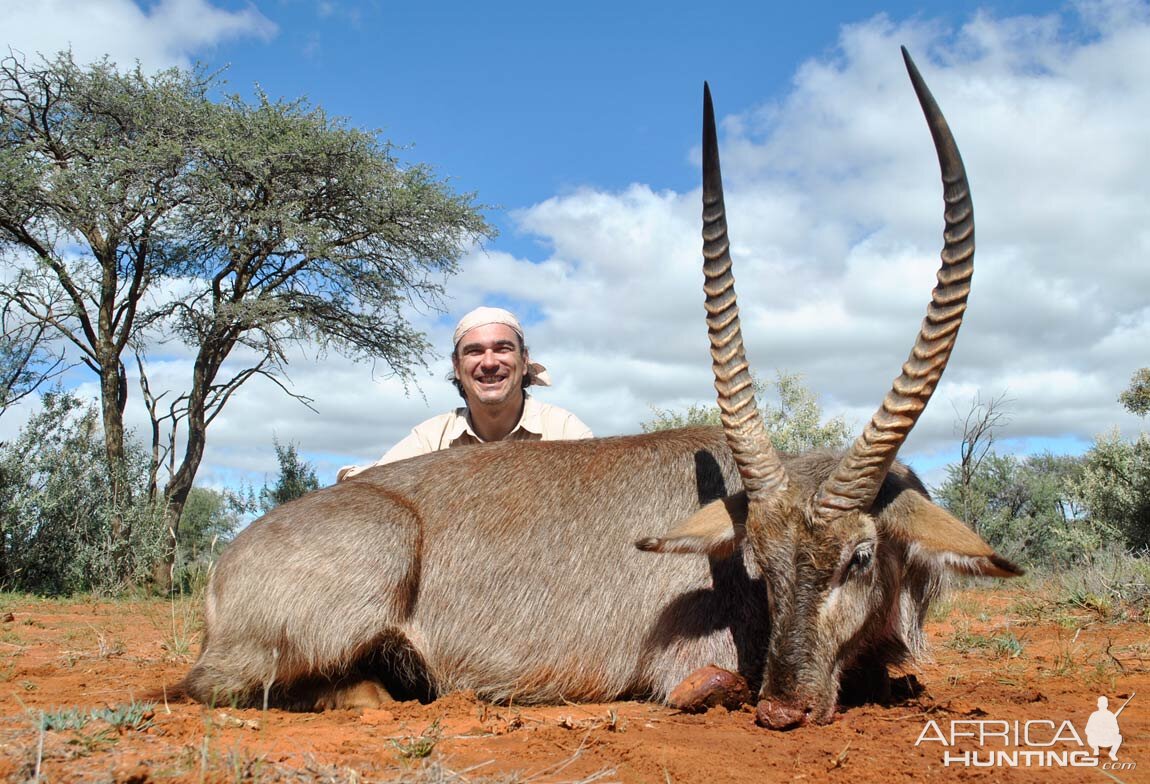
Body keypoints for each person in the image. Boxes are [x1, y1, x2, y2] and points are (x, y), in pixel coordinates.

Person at [338, 306, 592, 480]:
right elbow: (369, 486)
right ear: (457, 367)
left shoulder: (565, 431)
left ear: (524, 360)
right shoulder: (431, 438)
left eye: (502, 349)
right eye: (474, 351)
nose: (489, 362)